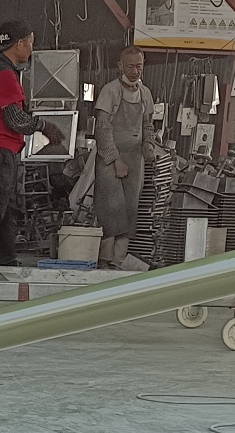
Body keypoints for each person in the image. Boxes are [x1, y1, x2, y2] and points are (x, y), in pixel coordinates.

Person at [0, 20, 62, 266]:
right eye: (30, 43)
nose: (31, 49)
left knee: (3, 207)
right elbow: (15, 119)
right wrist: (44, 126)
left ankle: (6, 258)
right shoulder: (5, 75)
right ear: (19, 44)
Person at [92, 46, 158, 269]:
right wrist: (115, 160)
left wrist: (148, 144)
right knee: (111, 209)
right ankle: (104, 260)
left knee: (130, 209)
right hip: (110, 159)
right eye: (130, 67)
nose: (135, 71)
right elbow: (102, 129)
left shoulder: (145, 94)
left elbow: (148, 125)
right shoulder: (110, 91)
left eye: (139, 66)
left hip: (135, 158)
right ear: (120, 66)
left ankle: (118, 261)